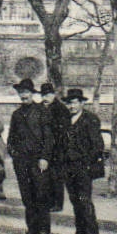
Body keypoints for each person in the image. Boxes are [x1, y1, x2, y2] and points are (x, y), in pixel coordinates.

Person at [6, 78, 53, 234]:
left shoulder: (42, 112)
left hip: (38, 161)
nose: (23, 95)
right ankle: (31, 228)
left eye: (26, 92)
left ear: (32, 94)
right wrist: (13, 153)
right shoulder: (16, 114)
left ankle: (44, 229)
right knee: (27, 196)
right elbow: (11, 137)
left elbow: (49, 138)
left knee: (40, 194)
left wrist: (45, 157)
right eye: (21, 92)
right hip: (21, 162)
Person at [60, 89, 106, 234]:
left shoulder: (90, 119)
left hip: (83, 167)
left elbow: (97, 145)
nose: (71, 106)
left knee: (84, 200)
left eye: (74, 102)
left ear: (81, 103)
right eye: (69, 103)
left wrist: (87, 164)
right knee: (74, 201)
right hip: (68, 167)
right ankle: (80, 232)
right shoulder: (65, 120)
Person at [40, 82, 69, 214]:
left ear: (53, 94)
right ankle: (48, 201)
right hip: (45, 147)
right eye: (43, 95)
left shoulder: (61, 109)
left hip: (58, 148)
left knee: (57, 177)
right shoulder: (41, 108)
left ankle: (58, 203)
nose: (45, 97)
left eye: (48, 94)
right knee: (46, 176)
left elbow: (63, 131)